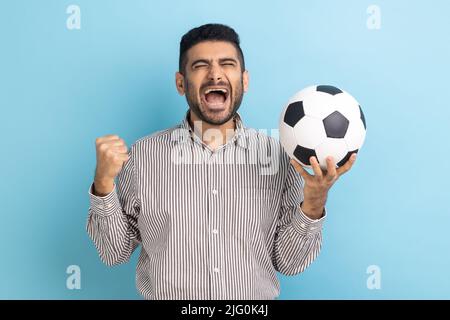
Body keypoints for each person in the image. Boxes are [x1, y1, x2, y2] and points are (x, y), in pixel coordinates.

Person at [87, 23, 357, 300]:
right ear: (181, 83)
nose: (215, 74)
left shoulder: (277, 155)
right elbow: (114, 253)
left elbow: (289, 263)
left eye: (227, 64)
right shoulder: (143, 156)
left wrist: (313, 203)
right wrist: (104, 184)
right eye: (200, 65)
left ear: (244, 80)